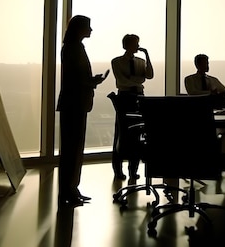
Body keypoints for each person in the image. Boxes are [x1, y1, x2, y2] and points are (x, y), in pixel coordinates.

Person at [56, 15, 107, 206]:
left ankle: (71, 189)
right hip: (74, 104)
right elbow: (75, 79)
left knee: (74, 151)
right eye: (88, 27)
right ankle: (67, 192)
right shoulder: (72, 49)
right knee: (71, 151)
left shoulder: (74, 48)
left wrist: (91, 81)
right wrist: (92, 81)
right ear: (80, 29)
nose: (91, 30)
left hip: (76, 103)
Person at [110, 34, 154, 182]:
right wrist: (137, 80)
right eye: (135, 43)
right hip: (124, 97)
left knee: (136, 133)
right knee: (121, 132)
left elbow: (149, 76)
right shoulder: (116, 61)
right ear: (126, 45)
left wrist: (147, 56)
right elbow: (123, 80)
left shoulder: (141, 61)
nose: (137, 46)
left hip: (138, 96)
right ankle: (118, 170)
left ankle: (132, 170)